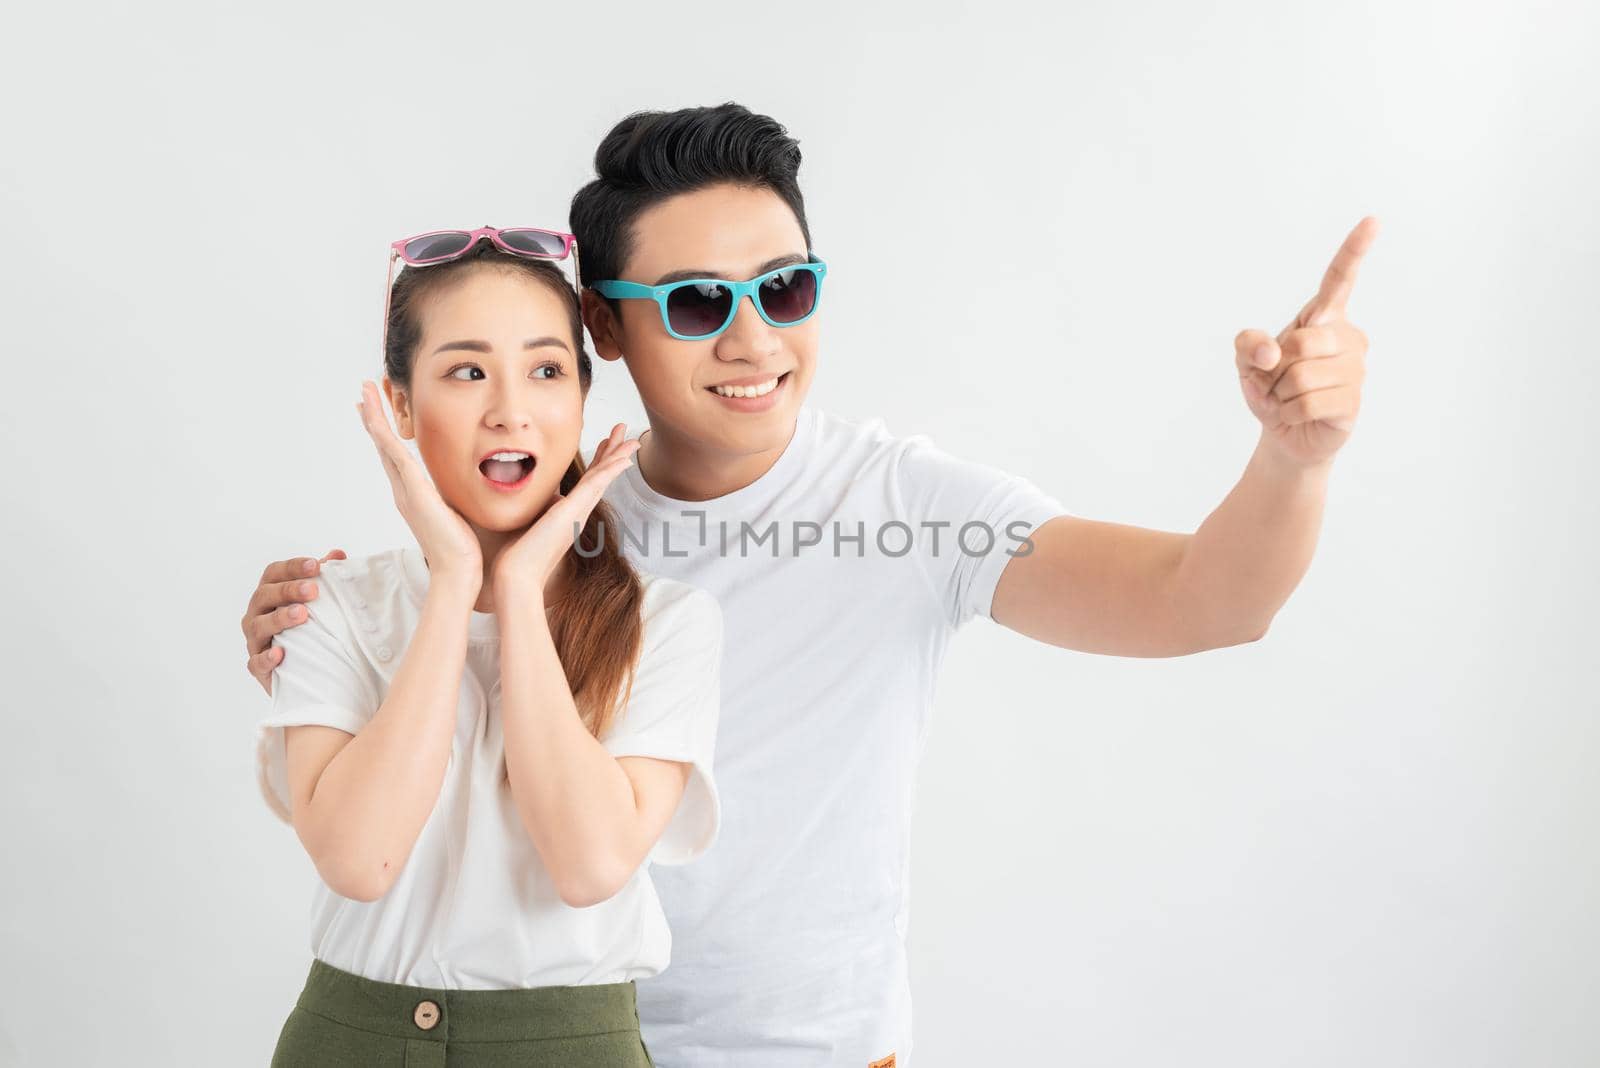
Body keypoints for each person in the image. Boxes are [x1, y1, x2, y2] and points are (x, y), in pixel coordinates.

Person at [242, 105, 1376, 1067]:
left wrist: (1293, 458)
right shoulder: (537, 507)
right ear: (605, 325)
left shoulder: (905, 508)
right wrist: (311, 633)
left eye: (784, 290)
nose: (751, 340)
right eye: (694, 303)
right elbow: (414, 677)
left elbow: (1208, 601)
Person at [255, 232, 722, 1067]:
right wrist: (451, 585)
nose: (509, 409)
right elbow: (361, 861)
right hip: (347, 1042)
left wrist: (516, 597)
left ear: (582, 394)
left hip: (572, 1046)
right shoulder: (331, 606)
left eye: (546, 370)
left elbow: (588, 866)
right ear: (400, 407)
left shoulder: (671, 623)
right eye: (466, 371)